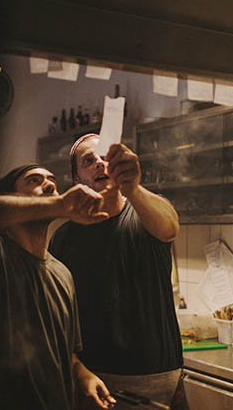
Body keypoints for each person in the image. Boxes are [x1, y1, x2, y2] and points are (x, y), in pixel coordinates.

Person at [49, 134, 183, 409]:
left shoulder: (145, 213)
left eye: (105, 157)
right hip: (93, 376)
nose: (100, 164)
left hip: (154, 375)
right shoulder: (64, 238)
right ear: (76, 179)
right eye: (88, 161)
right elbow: (58, 313)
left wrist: (132, 187)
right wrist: (76, 368)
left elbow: (170, 227)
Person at [0, 163, 117, 410]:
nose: (49, 185)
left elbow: (67, 354)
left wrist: (83, 375)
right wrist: (60, 205)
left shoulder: (62, 274)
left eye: (52, 180)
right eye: (34, 180)